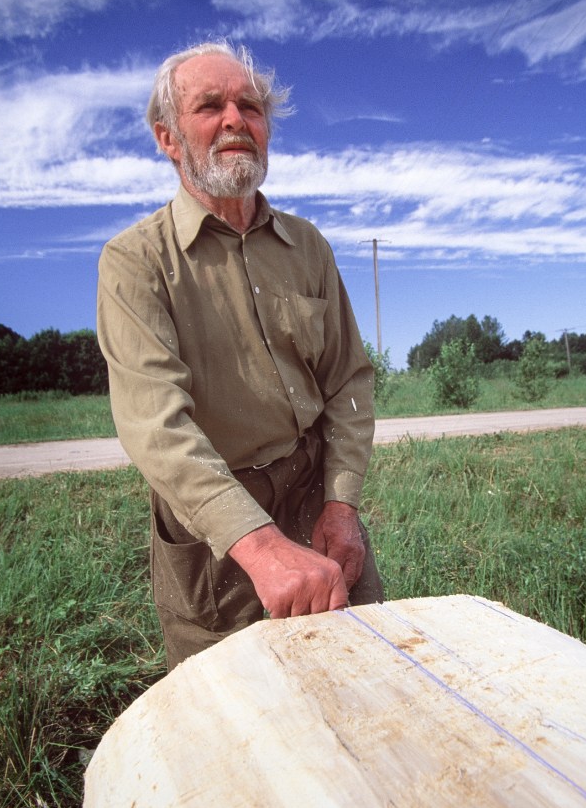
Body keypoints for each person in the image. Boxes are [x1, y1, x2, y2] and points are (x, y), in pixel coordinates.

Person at [97, 40, 383, 669]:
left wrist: (341, 503)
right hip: (212, 529)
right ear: (169, 138)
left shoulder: (308, 247)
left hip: (314, 496)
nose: (235, 120)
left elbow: (349, 383)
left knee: (362, 675)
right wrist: (259, 546)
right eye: (210, 106)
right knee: (233, 716)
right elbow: (155, 425)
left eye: (250, 106)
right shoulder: (135, 263)